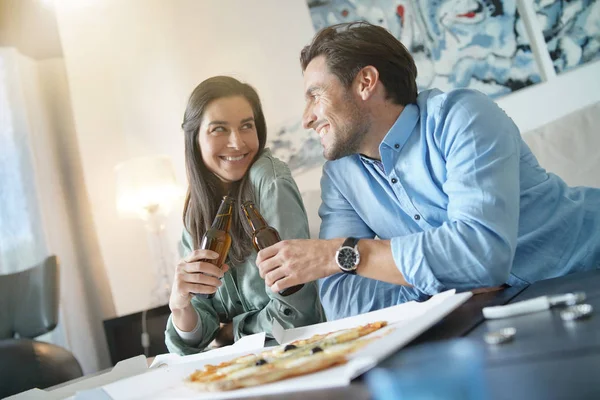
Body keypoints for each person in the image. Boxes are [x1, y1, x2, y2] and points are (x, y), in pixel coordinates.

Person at [255, 22, 600, 320]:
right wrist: (449, 280)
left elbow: (480, 254)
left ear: (365, 82)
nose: (306, 118)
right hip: (503, 314)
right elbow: (343, 301)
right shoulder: (342, 175)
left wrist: (346, 254)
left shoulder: (462, 116)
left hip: (584, 269)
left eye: (315, 95)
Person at [165, 76, 325, 354]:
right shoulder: (196, 211)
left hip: (300, 352)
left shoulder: (270, 180)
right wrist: (180, 305)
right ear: (194, 139)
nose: (237, 143)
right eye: (219, 129)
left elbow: (296, 315)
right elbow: (196, 335)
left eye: (246, 126)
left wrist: (231, 332)